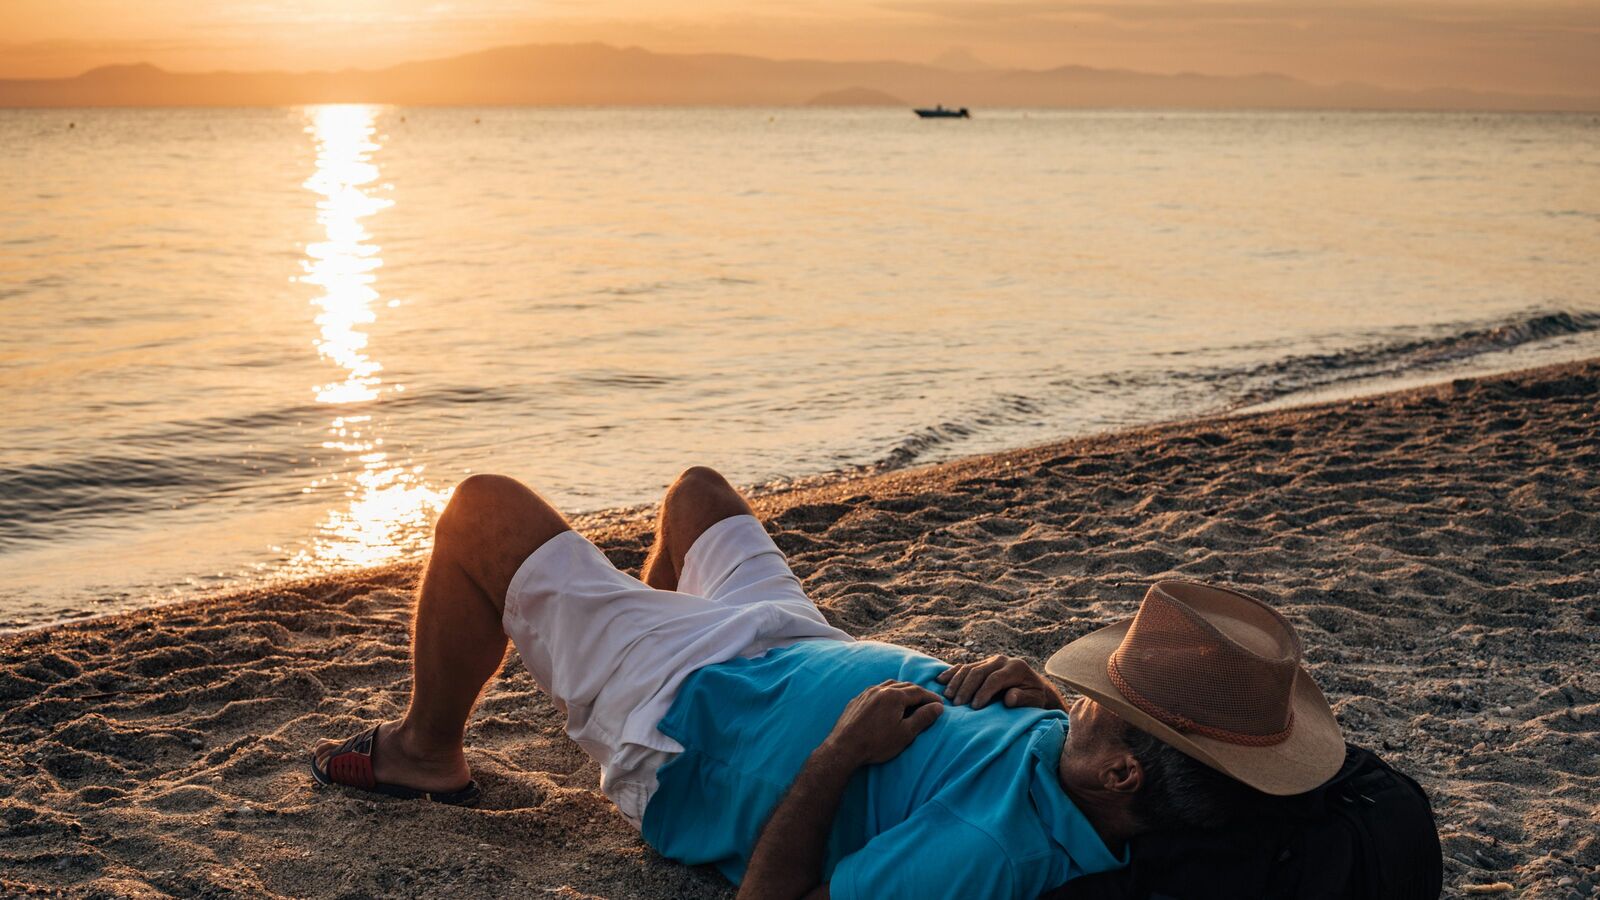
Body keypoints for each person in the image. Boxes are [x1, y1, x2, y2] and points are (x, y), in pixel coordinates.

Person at [310, 467, 1346, 899]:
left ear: (1124, 770)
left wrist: (842, 752)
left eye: (1098, 705)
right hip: (785, 645)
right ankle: (620, 621)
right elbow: (1039, 744)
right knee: (699, 493)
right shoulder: (1097, 769)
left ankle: (427, 752)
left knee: (483, 509)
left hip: (687, 722)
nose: (1080, 697)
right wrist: (1021, 693)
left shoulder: (984, 851)